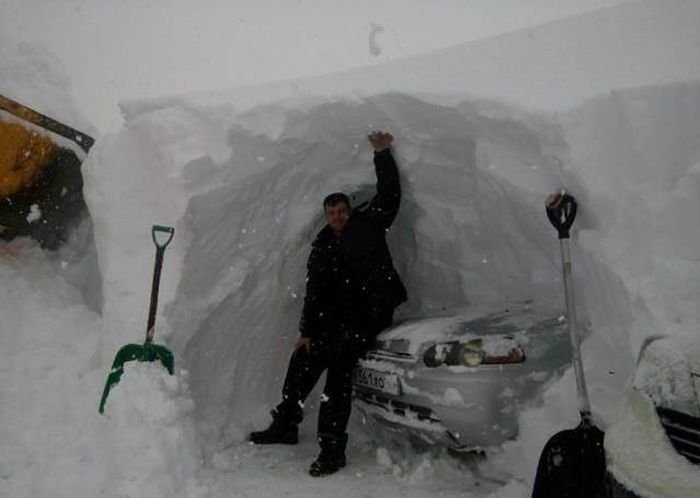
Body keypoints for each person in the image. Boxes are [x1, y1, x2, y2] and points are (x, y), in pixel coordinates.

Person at [249, 131, 407, 477]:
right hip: (334, 319)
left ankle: (332, 449)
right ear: (325, 215)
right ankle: (286, 424)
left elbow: (390, 196)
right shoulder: (322, 247)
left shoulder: (368, 224)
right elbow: (314, 292)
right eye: (331, 212)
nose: (337, 216)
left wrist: (382, 154)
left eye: (341, 211)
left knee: (337, 373)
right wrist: (307, 331)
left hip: (369, 314)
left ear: (350, 211)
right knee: (303, 360)